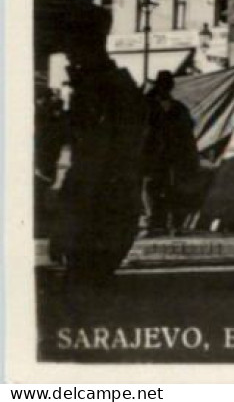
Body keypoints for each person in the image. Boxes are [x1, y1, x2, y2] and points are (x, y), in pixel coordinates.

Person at [51, 43, 146, 286]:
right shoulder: (114, 85)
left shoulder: (101, 88)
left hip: (103, 172)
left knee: (95, 218)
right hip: (107, 172)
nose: (70, 68)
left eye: (75, 61)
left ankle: (85, 267)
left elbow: (97, 138)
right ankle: (87, 267)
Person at [140, 71, 198, 237]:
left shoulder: (178, 108)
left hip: (172, 156)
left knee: (170, 189)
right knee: (151, 189)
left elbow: (187, 133)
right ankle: (154, 225)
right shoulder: (147, 106)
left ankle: (172, 225)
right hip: (153, 156)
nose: (164, 89)